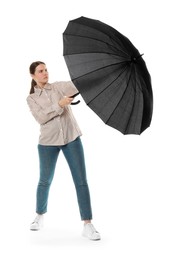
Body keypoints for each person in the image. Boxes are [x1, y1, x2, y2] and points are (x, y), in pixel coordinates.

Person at [27, 61, 101, 241]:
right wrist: (59, 105)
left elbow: (77, 85)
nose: (45, 73)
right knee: (45, 180)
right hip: (47, 143)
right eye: (41, 71)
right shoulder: (31, 98)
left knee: (81, 180)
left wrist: (93, 71)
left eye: (46, 70)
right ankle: (39, 215)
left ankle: (87, 224)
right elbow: (41, 117)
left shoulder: (59, 87)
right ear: (33, 76)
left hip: (71, 138)